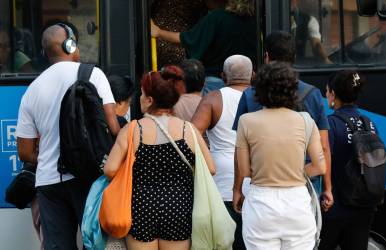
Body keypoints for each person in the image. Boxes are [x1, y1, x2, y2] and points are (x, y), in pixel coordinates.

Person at [16, 24, 120, 250]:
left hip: (49, 183)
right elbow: (113, 127)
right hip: (88, 178)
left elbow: (24, 151)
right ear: (70, 44)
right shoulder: (93, 74)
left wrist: (50, 156)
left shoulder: (32, 89)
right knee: (96, 243)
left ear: (45, 53)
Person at [104, 66, 216, 250]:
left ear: (149, 100)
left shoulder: (132, 130)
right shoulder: (189, 130)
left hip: (141, 208)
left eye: (141, 94)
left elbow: (110, 170)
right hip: (179, 208)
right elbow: (211, 169)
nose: (138, 99)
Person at [232, 31, 333, 211]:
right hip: (304, 186)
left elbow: (240, 152)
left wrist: (237, 189)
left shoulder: (249, 95)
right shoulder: (312, 94)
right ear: (293, 57)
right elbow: (324, 146)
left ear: (267, 57)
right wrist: (327, 188)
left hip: (262, 187)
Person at [233, 62, 326, 249]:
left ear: (258, 89)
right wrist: (294, 170)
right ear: (292, 90)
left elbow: (244, 170)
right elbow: (319, 167)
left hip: (261, 203)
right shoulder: (306, 121)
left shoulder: (247, 121)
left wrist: (237, 191)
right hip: (297, 203)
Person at [191, 55, 252, 250]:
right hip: (256, 176)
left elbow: (192, 133)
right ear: (252, 75)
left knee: (227, 240)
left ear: (223, 76)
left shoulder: (214, 98)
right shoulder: (262, 97)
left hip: (222, 178)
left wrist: (208, 154)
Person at [319, 70, 376, 250]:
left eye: (327, 91)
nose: (326, 94)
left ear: (333, 95)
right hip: (364, 205)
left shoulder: (331, 124)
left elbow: (324, 160)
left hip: (336, 206)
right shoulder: (368, 123)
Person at [151, 0, 257, 95]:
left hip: (216, 82)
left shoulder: (217, 17)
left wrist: (159, 32)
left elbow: (188, 39)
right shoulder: (253, 20)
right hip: (246, 84)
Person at [291, 0, 332, 64]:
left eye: (293, 1)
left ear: (296, 2)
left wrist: (326, 60)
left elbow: (316, 45)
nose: (292, 2)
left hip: (297, 64)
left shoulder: (309, 20)